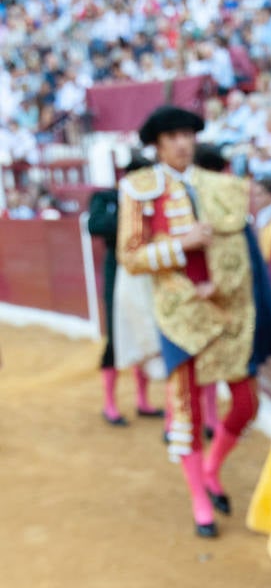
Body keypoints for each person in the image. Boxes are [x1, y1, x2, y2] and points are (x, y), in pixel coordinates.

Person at [117, 105, 271, 538]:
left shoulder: (221, 186)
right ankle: (198, 499)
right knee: (188, 410)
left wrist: (224, 281)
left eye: (187, 134)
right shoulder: (139, 189)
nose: (182, 142)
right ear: (156, 144)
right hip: (181, 313)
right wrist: (180, 244)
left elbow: (241, 251)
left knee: (246, 403)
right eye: (172, 136)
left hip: (227, 308)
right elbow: (130, 256)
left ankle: (212, 468)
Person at [87, 156, 165, 427]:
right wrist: (131, 211)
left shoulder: (157, 199)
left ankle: (142, 400)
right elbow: (95, 226)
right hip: (117, 269)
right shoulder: (108, 197)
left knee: (145, 329)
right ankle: (110, 403)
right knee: (116, 334)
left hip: (148, 270)